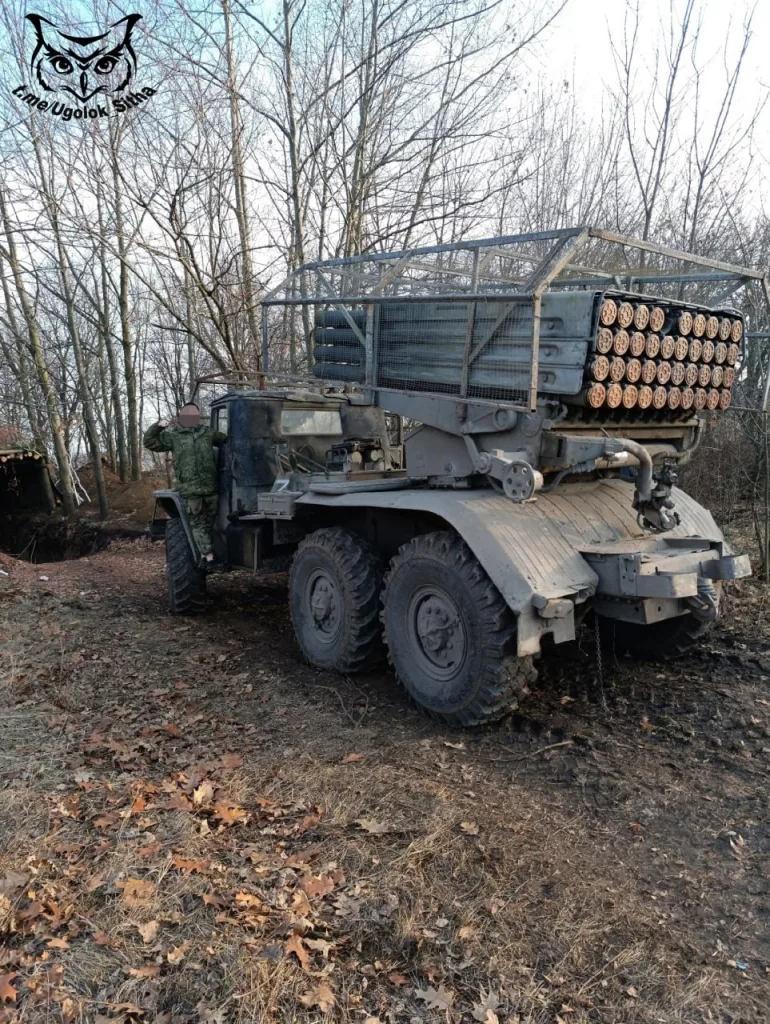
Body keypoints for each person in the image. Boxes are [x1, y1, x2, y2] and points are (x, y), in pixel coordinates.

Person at [143, 402, 227, 569]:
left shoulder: (207, 433)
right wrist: (158, 426)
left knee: (209, 521)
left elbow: (227, 440)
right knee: (197, 522)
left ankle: (206, 552)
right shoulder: (174, 436)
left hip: (210, 487)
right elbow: (149, 442)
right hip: (190, 489)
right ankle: (208, 556)